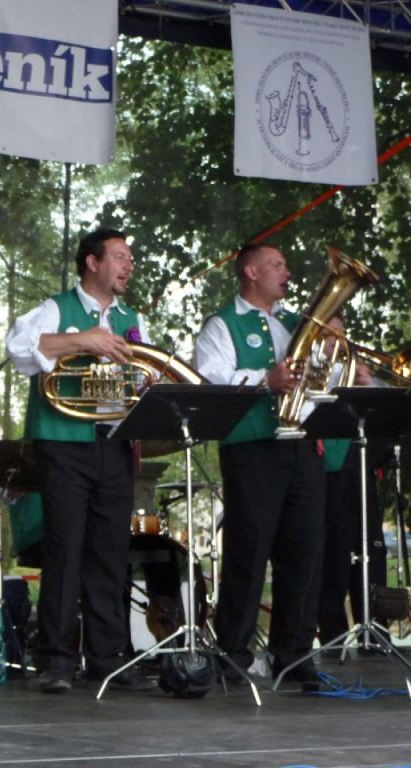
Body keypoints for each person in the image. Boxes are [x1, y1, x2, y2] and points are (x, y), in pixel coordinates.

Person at [6, 227, 155, 693]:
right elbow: (19, 348)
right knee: (65, 549)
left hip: (113, 443)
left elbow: (144, 374)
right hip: (63, 442)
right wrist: (83, 341)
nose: (129, 265)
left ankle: (108, 658)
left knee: (110, 553)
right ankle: (56, 659)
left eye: (129, 258)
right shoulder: (57, 308)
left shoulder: (132, 319)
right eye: (119, 257)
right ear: (92, 262)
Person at [193, 242, 325, 688]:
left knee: (303, 552)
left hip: (300, 447)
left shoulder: (296, 324)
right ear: (251, 272)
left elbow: (318, 379)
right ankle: (233, 653)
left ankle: (294, 654)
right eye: (277, 265)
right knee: (248, 553)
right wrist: (266, 380)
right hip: (251, 448)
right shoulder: (221, 324)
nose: (286, 272)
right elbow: (211, 379)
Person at [314, 316, 388, 652]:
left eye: (341, 334)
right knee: (333, 551)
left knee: (370, 548)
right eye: (329, 334)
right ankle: (332, 634)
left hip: (358, 464)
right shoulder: (313, 369)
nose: (338, 340)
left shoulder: (352, 368)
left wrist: (367, 383)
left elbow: (388, 408)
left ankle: (375, 630)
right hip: (325, 467)